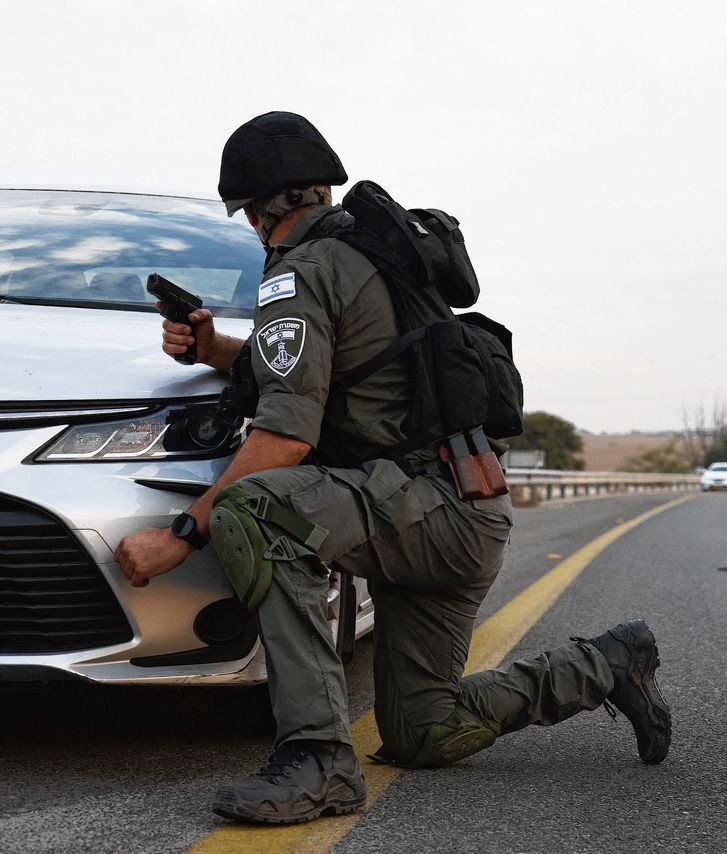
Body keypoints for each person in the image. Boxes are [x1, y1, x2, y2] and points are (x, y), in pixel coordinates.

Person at [112, 111, 671, 825]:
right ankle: (607, 663)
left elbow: (282, 439)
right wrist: (214, 347)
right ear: (318, 191)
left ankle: (317, 759)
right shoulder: (368, 253)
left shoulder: (301, 271)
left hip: (421, 511)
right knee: (425, 731)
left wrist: (179, 536)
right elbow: (329, 368)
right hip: (463, 511)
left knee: (250, 509)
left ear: (255, 213)